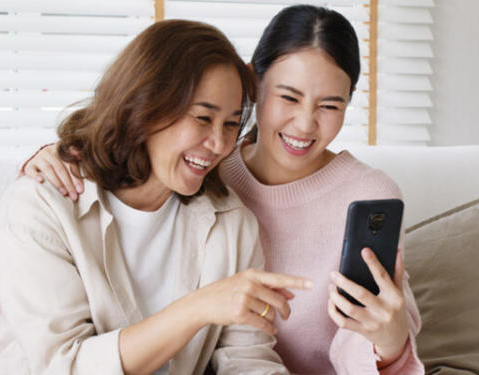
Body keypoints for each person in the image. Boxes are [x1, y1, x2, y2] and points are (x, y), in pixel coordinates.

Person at [21, 5, 424, 374]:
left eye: (330, 106)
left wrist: (389, 340)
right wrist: (61, 153)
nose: (304, 124)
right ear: (254, 83)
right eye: (288, 96)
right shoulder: (205, 177)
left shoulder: (232, 208)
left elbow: (251, 355)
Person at [0, 20, 313, 375]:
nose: (220, 145)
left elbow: (247, 361)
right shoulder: (42, 207)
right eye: (203, 118)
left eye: (231, 124)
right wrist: (197, 308)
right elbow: (64, 366)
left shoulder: (232, 223)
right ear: (144, 107)